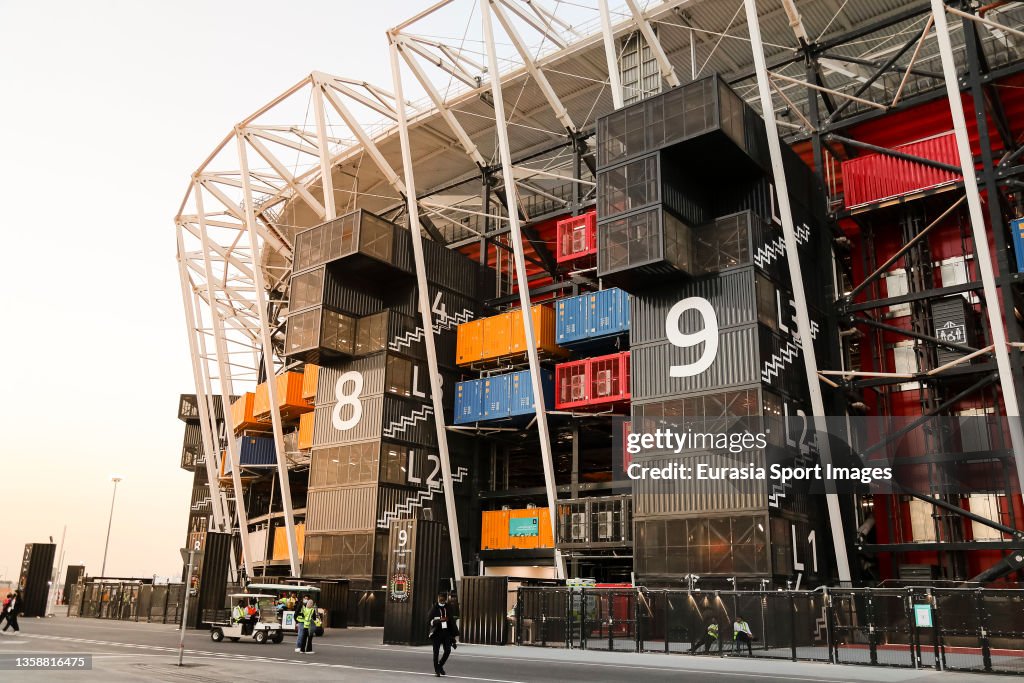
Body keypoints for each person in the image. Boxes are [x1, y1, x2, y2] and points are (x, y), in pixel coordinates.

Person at [428, 591, 459, 677]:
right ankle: (437, 670)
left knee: (448, 650)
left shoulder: (448, 607)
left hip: (446, 633)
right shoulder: (434, 608)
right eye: (440, 598)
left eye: (443, 598)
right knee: (436, 652)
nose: (441, 600)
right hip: (437, 633)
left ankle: (440, 665)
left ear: (445, 599)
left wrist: (453, 636)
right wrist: (439, 620)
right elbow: (429, 621)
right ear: (438, 598)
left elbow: (452, 621)